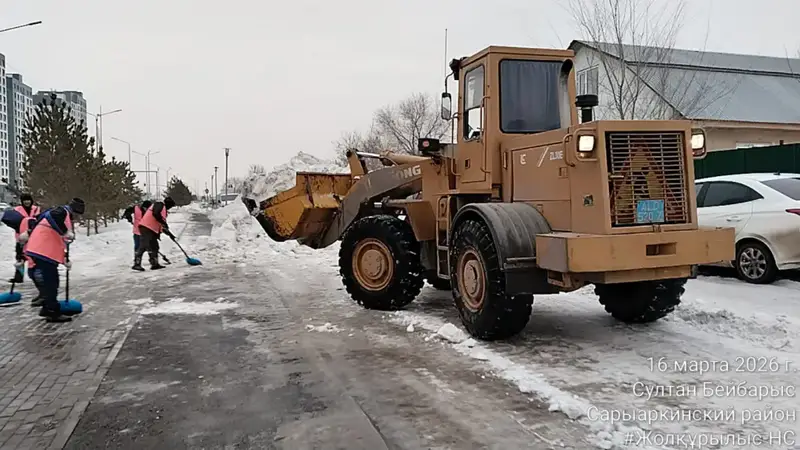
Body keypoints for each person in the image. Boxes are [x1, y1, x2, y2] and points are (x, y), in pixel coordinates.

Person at [21, 198, 85, 322]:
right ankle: (52, 312)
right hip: (42, 250)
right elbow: (52, 217)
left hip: (43, 250)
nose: (77, 218)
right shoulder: (61, 211)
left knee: (50, 281)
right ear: (74, 210)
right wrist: (65, 231)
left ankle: (47, 308)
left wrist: (65, 258)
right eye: (77, 215)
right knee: (51, 282)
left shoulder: (63, 215)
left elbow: (59, 239)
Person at [133, 196, 176, 271]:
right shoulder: (159, 205)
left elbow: (161, 226)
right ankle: (137, 264)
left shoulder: (163, 211)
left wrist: (170, 234)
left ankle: (155, 264)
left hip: (151, 229)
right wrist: (163, 222)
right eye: (170, 206)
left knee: (154, 246)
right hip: (146, 227)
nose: (170, 208)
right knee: (144, 246)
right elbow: (155, 214)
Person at [7, 194, 40, 283]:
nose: (27, 202)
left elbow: (39, 221)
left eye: (28, 200)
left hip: (33, 236)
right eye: (25, 200)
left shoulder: (36, 209)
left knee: (33, 256)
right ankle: (19, 277)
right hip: (20, 236)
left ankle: (36, 275)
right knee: (20, 257)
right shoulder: (17, 210)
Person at [122, 200, 152, 265]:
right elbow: (127, 211)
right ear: (143, 206)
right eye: (146, 208)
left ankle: (153, 261)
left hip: (146, 232)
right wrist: (129, 218)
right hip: (137, 231)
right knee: (138, 247)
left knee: (150, 246)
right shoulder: (136, 208)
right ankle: (137, 261)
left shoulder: (150, 212)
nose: (146, 209)